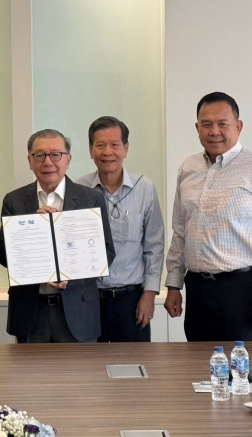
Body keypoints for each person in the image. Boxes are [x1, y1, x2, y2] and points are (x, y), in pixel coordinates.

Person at [164, 92, 252, 341]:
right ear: (197, 128)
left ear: (238, 126)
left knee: (240, 362)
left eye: (223, 124)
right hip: (197, 288)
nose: (214, 131)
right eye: (206, 124)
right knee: (197, 361)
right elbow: (180, 231)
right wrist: (174, 284)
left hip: (240, 288)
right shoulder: (188, 168)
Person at [0, 129, 116, 343]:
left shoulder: (90, 199)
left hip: (77, 309)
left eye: (56, 155)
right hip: (31, 311)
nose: (48, 162)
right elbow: (4, 256)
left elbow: (106, 253)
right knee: (30, 366)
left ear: (68, 160)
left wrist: (72, 276)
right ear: (30, 160)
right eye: (39, 155)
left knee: (79, 367)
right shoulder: (14, 201)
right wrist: (30, 230)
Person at [76, 117, 164, 342]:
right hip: (88, 299)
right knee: (88, 362)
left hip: (131, 300)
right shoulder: (78, 189)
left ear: (126, 149)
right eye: (100, 145)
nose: (108, 152)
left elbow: (154, 247)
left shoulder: (145, 188)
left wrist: (149, 294)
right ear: (90, 150)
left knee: (133, 362)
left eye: (114, 145)